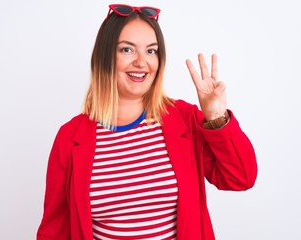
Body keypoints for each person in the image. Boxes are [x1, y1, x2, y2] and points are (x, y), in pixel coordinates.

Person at [36, 4, 257, 240]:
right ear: (105, 56)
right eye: (127, 50)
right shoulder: (70, 137)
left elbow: (240, 178)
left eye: (151, 51)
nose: (142, 62)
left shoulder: (183, 118)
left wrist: (216, 117)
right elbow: (55, 229)